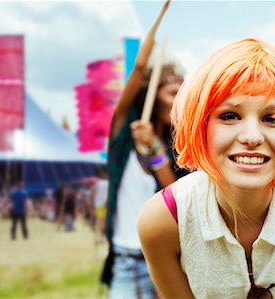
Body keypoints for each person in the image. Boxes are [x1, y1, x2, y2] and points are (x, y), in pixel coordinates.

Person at [137, 37, 275, 298]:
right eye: (230, 116)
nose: (252, 136)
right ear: (200, 125)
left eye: (272, 118)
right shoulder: (163, 220)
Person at [102, 1, 187, 298]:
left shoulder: (175, 147)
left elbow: (175, 196)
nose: (180, 101)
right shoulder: (122, 131)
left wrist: (153, 150)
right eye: (174, 93)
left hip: (167, 260)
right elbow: (139, 68)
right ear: (154, 94)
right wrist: (161, 15)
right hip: (126, 261)